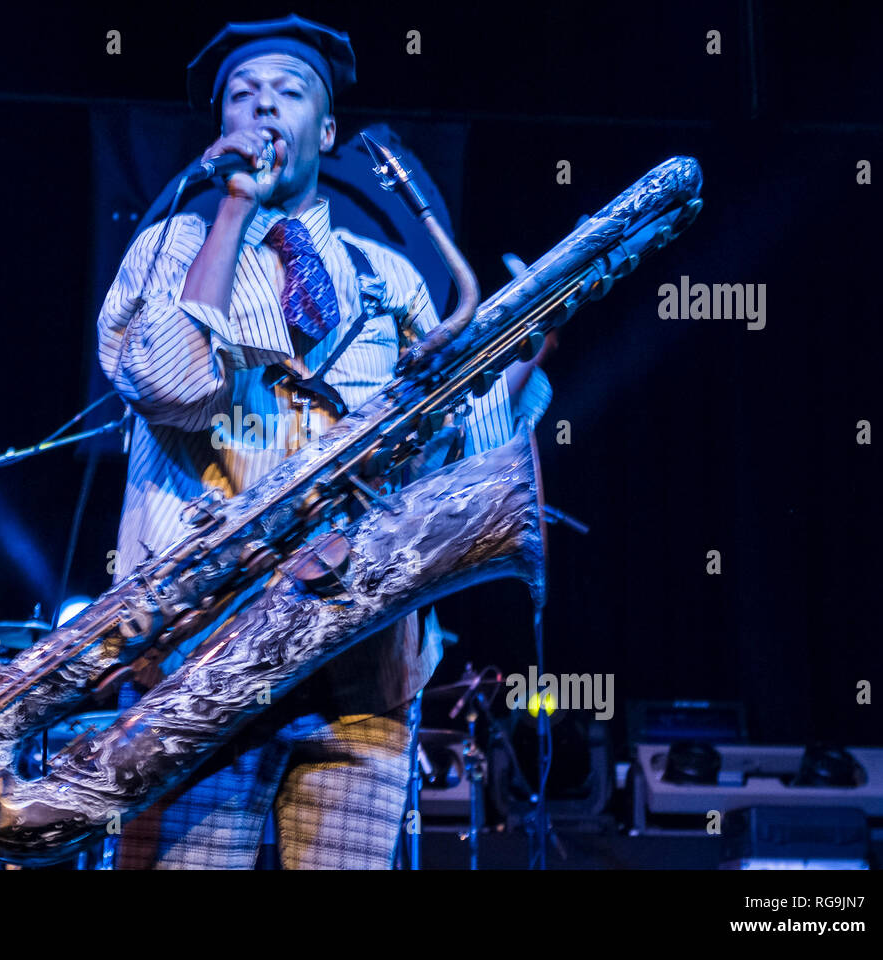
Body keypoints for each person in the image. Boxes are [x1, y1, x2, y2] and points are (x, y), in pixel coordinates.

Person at [96, 14, 553, 868]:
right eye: (243, 94)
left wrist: (522, 359)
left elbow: (462, 460)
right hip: (204, 659)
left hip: (362, 668)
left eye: (289, 91)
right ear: (220, 126)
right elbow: (174, 381)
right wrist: (234, 204)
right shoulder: (170, 249)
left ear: (328, 130)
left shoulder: (392, 279)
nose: (264, 105)